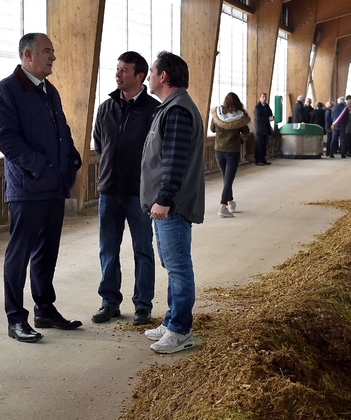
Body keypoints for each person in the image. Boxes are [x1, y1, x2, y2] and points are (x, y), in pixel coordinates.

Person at [0, 33, 83, 343]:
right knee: (19, 253)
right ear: (28, 55)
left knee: (47, 252)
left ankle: (45, 308)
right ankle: (16, 319)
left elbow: (62, 130)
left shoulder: (49, 91)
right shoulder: (6, 91)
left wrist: (71, 159)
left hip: (54, 185)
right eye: (47, 51)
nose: (53, 57)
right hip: (27, 188)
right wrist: (40, 167)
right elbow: (5, 138)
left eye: (53, 51)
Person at [140, 51, 205, 354]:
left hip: (172, 207)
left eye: (152, 71)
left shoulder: (177, 110)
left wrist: (163, 200)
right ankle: (171, 320)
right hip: (165, 205)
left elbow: (174, 161)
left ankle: (181, 329)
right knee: (171, 264)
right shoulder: (168, 107)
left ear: (163, 76)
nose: (149, 76)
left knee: (178, 266)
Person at [91, 51, 159, 326]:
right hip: (109, 191)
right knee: (108, 249)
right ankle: (109, 303)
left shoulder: (153, 110)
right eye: (117, 69)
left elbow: (156, 153)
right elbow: (99, 144)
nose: (118, 74)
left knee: (143, 249)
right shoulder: (106, 107)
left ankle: (143, 305)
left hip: (139, 194)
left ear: (139, 76)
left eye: (124, 70)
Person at [210, 92, 250, 218]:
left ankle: (231, 202)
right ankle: (223, 207)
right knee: (228, 179)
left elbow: (212, 129)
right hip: (233, 151)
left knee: (226, 178)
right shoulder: (240, 117)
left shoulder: (218, 114)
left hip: (219, 150)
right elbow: (246, 131)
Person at [253, 92, 274, 166]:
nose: (264, 99)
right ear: (260, 98)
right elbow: (258, 118)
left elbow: (270, 114)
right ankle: (258, 160)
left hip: (266, 129)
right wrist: (268, 119)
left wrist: (272, 118)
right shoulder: (257, 108)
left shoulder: (267, 106)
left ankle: (263, 158)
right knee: (259, 145)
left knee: (264, 145)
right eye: (263, 97)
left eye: (265, 97)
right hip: (260, 129)